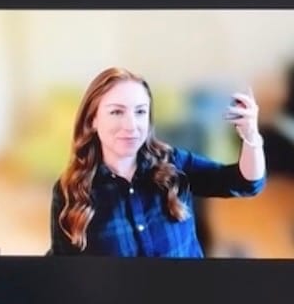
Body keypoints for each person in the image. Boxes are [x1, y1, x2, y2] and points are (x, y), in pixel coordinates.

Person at [49, 67, 266, 257]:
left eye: (140, 112)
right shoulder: (69, 190)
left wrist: (251, 137)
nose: (131, 125)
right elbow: (63, 267)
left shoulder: (174, 162)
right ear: (92, 119)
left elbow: (245, 183)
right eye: (116, 112)